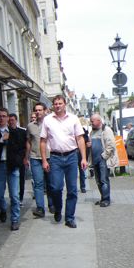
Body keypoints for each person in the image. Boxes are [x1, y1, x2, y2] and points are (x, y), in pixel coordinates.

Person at [40, 95, 88, 228]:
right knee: (55, 188)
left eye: (60, 103)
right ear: (53, 106)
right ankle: (58, 209)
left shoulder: (73, 118)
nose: (58, 106)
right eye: (55, 104)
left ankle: (69, 217)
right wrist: (44, 160)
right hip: (55, 157)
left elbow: (80, 139)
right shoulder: (47, 120)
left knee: (72, 189)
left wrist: (84, 158)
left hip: (72, 156)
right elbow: (43, 141)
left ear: (65, 104)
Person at [0, 107, 28, 230]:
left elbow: (21, 148)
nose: (2, 118)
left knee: (14, 195)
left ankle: (15, 220)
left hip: (12, 166)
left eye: (4, 116)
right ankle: (3, 209)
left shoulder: (15, 132)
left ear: (8, 118)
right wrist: (1, 140)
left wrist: (19, 160)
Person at [27, 102, 53, 218]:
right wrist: (26, 157)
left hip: (49, 157)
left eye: (40, 110)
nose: (38, 112)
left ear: (45, 111)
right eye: (36, 110)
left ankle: (52, 204)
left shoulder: (51, 124)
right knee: (38, 183)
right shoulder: (30, 126)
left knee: (50, 182)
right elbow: (28, 142)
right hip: (35, 158)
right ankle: (40, 208)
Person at [89, 114, 118, 207]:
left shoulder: (106, 130)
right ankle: (103, 197)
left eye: (92, 121)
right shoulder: (92, 132)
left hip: (103, 160)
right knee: (98, 180)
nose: (91, 123)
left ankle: (106, 199)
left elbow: (111, 145)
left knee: (104, 179)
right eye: (91, 121)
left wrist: (104, 156)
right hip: (95, 159)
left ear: (99, 121)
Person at [8, 113, 28, 202]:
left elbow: (26, 146)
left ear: (16, 120)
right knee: (12, 181)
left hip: (20, 159)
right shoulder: (6, 132)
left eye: (12, 120)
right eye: (9, 120)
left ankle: (20, 198)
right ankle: (14, 198)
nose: (11, 122)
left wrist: (26, 158)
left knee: (21, 179)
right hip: (10, 160)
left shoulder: (22, 132)